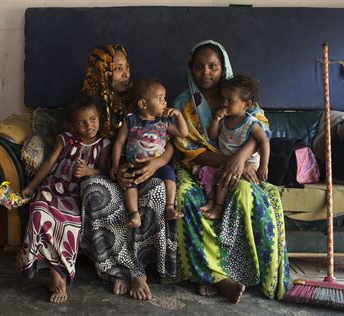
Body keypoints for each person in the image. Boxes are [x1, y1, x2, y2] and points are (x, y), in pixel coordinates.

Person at [172, 40, 291, 303]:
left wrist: (241, 158)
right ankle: (212, 276)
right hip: (199, 167)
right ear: (191, 69)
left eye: (213, 66)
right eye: (199, 66)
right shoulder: (185, 104)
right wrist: (230, 160)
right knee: (186, 198)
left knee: (247, 195)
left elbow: (262, 130)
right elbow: (189, 148)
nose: (206, 72)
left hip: (241, 166)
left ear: (222, 67)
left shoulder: (239, 94)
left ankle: (245, 273)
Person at [80, 45, 177, 301]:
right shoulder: (89, 107)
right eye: (118, 69)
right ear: (102, 73)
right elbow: (90, 148)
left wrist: (156, 165)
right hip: (107, 172)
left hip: (143, 169)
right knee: (94, 190)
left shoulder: (140, 101)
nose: (125, 74)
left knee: (156, 190)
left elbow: (168, 142)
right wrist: (113, 171)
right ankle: (117, 270)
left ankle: (139, 270)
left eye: (127, 68)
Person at [17, 94, 111, 303]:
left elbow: (104, 171)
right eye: (82, 122)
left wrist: (88, 171)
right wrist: (31, 187)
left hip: (76, 193)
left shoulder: (103, 144)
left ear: (100, 118)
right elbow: (50, 163)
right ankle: (50, 269)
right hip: (53, 187)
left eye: (93, 119)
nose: (89, 126)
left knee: (70, 224)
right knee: (39, 213)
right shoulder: (65, 138)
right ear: (72, 124)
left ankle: (58, 272)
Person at [110, 78, 188, 227]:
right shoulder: (131, 121)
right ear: (143, 104)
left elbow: (182, 133)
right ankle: (134, 214)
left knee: (170, 175)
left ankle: (170, 207)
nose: (164, 102)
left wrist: (178, 115)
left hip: (157, 166)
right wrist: (115, 164)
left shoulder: (163, 122)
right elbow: (119, 142)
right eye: (160, 99)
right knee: (129, 185)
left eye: (164, 98)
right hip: (134, 165)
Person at [200, 74, 271, 219]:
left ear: (247, 105)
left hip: (248, 163)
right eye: (223, 99)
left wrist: (264, 165)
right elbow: (213, 136)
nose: (224, 103)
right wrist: (215, 120)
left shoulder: (251, 123)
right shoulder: (224, 119)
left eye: (230, 101)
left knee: (223, 178)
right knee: (210, 175)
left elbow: (264, 141)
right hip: (227, 160)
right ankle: (212, 202)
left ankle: (218, 208)